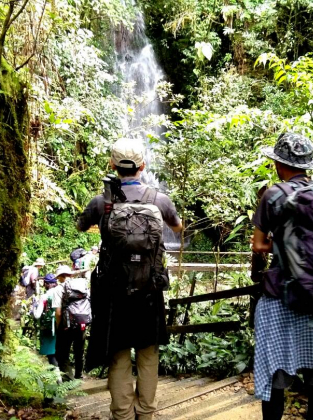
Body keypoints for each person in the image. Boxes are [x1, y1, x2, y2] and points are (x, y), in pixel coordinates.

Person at [77, 138, 183, 420]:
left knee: (119, 355)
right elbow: (177, 226)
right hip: (149, 290)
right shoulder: (160, 200)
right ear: (143, 166)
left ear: (112, 165)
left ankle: (122, 415)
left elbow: (80, 225)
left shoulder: (102, 202)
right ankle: (145, 414)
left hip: (114, 293)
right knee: (148, 355)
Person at [251, 132, 313, 420]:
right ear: (308, 166)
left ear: (279, 165)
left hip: (280, 297)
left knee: (276, 377)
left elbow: (259, 245)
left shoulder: (273, 195)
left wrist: (279, 244)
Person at [54, 264, 90, 380]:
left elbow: (58, 312)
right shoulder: (83, 287)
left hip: (67, 325)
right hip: (82, 323)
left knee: (62, 352)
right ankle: (79, 375)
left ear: (61, 276)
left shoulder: (59, 289)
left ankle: (68, 379)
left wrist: (59, 327)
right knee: (79, 350)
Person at [33, 273, 60, 367]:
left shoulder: (44, 297)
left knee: (51, 353)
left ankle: (57, 378)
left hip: (49, 328)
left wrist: (33, 308)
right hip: (62, 326)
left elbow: (37, 315)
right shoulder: (62, 293)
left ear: (47, 284)